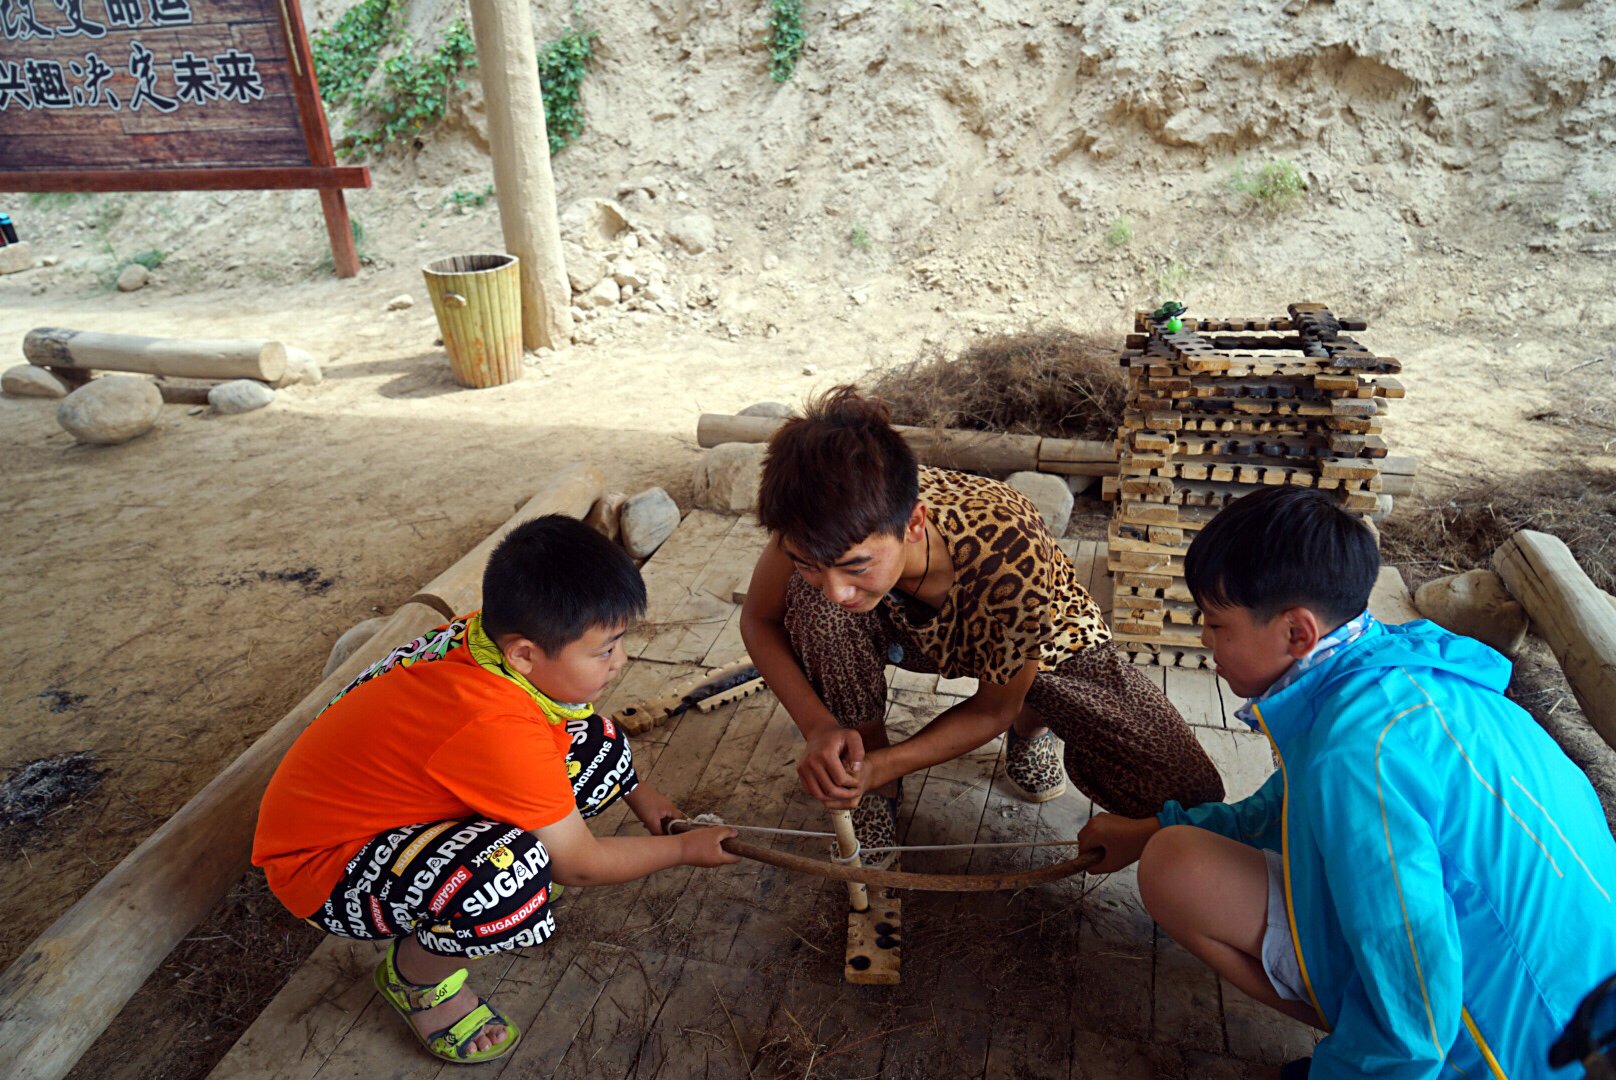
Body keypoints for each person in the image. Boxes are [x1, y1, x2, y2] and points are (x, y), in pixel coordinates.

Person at [1079, 486, 1616, 1077]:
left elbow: (1415, 993)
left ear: (1296, 633)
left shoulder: (1359, 753)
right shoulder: (1393, 669)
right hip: (1575, 1004)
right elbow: (1284, 809)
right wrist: (1154, 826)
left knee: (1175, 869)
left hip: (1520, 1051)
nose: (1207, 642)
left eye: (1216, 624)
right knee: (1171, 847)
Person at [253, 515, 738, 1066]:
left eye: (621, 641)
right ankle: (415, 978)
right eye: (605, 650)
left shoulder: (488, 639)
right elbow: (580, 865)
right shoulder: (494, 723)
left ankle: (457, 889)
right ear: (525, 654)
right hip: (322, 865)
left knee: (596, 743)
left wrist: (643, 796)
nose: (621, 662)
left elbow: (569, 725)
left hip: (391, 807)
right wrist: (681, 850)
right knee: (506, 880)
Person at [740, 386, 1224, 864]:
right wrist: (820, 727)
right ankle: (871, 773)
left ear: (913, 524)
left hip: (1042, 636)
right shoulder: (814, 520)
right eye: (808, 562)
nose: (836, 587)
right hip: (903, 625)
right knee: (815, 607)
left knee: (1184, 791)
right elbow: (759, 620)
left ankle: (1033, 727)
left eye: (856, 566)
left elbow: (993, 709)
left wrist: (891, 760)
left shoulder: (1012, 555)